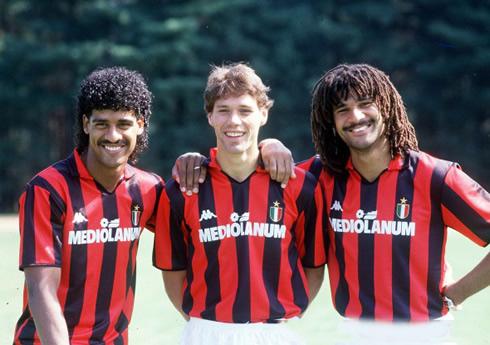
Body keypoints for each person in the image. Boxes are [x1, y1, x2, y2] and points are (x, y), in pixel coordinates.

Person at [174, 63, 490, 342]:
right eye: (342, 110)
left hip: (424, 333)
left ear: (388, 107)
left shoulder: (435, 176)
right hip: (353, 331)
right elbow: (257, 173)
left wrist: (457, 293)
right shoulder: (322, 175)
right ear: (332, 121)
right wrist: (264, 145)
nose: (355, 117)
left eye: (366, 104)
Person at [153, 62, 326, 345]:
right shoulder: (182, 190)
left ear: (263, 114)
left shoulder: (299, 185)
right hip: (206, 332)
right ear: (210, 116)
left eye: (245, 110)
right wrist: (209, 325)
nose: (234, 121)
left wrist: (284, 316)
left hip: (276, 331)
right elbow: (174, 273)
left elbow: (313, 265)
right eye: (223, 110)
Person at [13, 67, 164, 345]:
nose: (113, 135)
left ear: (140, 125)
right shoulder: (48, 189)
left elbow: (202, 220)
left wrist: (269, 148)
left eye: (123, 123)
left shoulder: (149, 190)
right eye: (102, 123)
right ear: (86, 124)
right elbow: (41, 290)